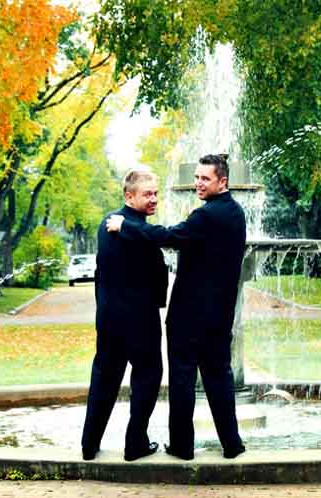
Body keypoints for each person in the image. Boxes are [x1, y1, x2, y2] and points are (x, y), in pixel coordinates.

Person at [107, 154, 246, 460]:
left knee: (182, 378)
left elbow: (168, 236)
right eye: (197, 177)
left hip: (188, 315)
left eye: (205, 179)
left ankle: (183, 446)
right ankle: (232, 444)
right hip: (221, 315)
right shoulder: (236, 213)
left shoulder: (206, 216)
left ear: (222, 181)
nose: (198, 183)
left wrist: (126, 226)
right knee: (218, 377)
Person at [81, 169, 168, 461]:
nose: (154, 199)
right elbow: (156, 273)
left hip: (108, 318)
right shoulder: (135, 230)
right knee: (149, 375)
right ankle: (135, 444)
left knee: (104, 379)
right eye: (147, 194)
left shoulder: (107, 223)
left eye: (156, 193)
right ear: (129, 196)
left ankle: (89, 444)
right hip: (139, 319)